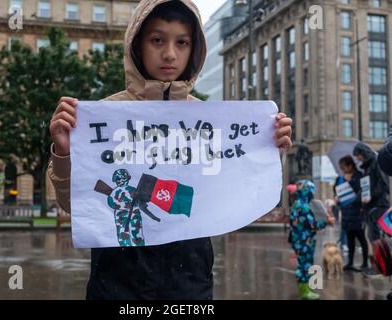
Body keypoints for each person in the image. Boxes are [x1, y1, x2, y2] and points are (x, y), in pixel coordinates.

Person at [48, 0, 293, 299]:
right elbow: (73, 205)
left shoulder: (210, 121)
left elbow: (229, 195)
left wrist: (264, 152)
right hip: (117, 283)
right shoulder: (103, 115)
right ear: (137, 45)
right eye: (157, 40)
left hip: (190, 281)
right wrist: (63, 152)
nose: (169, 53)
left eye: (182, 42)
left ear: (194, 49)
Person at [289, 180, 335, 300]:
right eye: (311, 191)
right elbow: (313, 225)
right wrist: (327, 222)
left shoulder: (297, 203)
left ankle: (305, 289)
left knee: (304, 264)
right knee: (304, 265)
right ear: (308, 191)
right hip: (303, 240)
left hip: (300, 239)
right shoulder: (303, 206)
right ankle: (304, 292)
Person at [335, 156, 369, 272]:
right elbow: (337, 189)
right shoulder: (340, 178)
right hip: (346, 211)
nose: (343, 170)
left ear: (350, 166)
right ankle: (350, 262)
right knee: (349, 238)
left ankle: (365, 263)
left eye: (344, 167)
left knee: (361, 237)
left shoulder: (359, 176)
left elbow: (362, 191)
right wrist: (336, 197)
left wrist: (351, 181)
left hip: (357, 211)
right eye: (341, 168)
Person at [353, 142, 390, 243]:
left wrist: (370, 195)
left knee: (377, 237)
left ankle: (381, 257)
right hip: (371, 206)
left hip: (379, 205)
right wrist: (359, 198)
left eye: (358, 155)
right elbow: (365, 187)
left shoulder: (377, 162)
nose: (358, 158)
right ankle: (378, 257)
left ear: (363, 152)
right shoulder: (366, 168)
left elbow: (383, 185)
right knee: (372, 237)